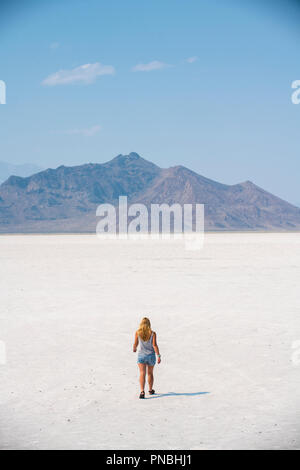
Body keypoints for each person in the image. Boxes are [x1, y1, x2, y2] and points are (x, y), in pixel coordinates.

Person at [133, 317, 161, 399]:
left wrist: (134, 348)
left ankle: (142, 391)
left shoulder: (138, 332)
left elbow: (135, 343)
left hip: (141, 355)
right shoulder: (153, 333)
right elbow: (154, 345)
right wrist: (158, 355)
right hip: (151, 356)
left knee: (142, 373)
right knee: (150, 373)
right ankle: (150, 389)